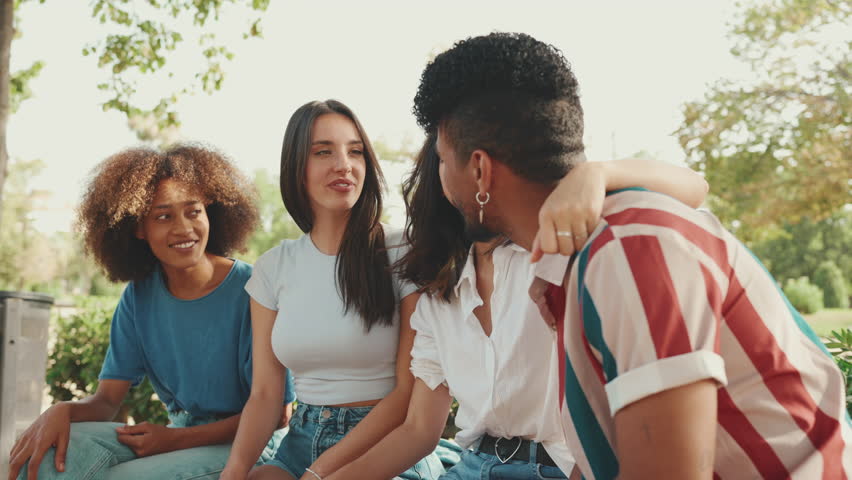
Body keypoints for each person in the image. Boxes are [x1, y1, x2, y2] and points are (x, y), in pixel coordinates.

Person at [412, 32, 852, 480]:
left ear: (480, 170)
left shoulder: (628, 250)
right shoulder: (576, 261)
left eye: (443, 161)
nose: (441, 179)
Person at [323, 129, 710, 479]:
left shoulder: (556, 249)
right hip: (471, 467)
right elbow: (419, 430)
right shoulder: (439, 291)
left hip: (561, 468)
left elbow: (693, 188)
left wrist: (594, 175)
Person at [8, 145, 296, 480]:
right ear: (138, 228)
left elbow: (277, 414)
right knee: (50, 453)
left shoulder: (251, 289)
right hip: (179, 436)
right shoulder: (138, 297)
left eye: (193, 211)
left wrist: (176, 439)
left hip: (252, 445)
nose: (183, 228)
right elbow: (106, 403)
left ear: (210, 213)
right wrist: (61, 412)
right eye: (163, 216)